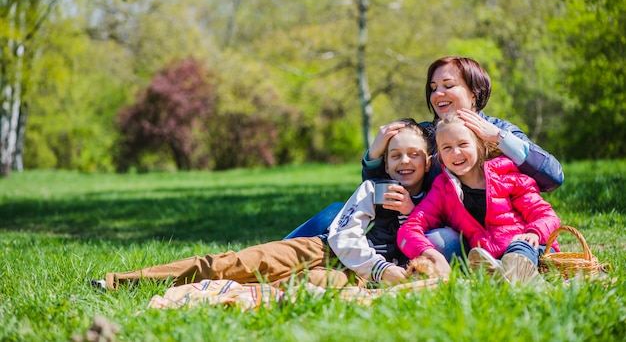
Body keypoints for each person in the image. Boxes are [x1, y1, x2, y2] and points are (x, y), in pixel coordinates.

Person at [96, 119, 434, 291]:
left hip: (362, 279)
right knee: (237, 262)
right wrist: (377, 267)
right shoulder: (373, 188)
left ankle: (204, 295)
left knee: (296, 288)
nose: (405, 162)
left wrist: (408, 215)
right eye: (395, 155)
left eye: (414, 155)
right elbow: (345, 235)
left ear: (428, 161)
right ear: (386, 164)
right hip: (323, 249)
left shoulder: (434, 198)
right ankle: (121, 281)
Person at [286, 56, 564, 253]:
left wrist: (498, 139)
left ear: (474, 93)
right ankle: (272, 256)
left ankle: (323, 259)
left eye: (447, 85)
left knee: (444, 239)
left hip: (476, 236)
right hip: (416, 227)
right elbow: (375, 189)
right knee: (336, 213)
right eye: (433, 88)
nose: (437, 93)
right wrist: (375, 154)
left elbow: (554, 177)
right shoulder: (424, 134)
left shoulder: (500, 131)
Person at [396, 114, 561, 284]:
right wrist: (431, 254)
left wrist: (533, 232)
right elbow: (408, 229)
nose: (456, 153)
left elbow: (546, 215)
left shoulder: (507, 175)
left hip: (531, 248)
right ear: (439, 155)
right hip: (488, 258)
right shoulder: (442, 189)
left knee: (518, 249)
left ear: (479, 145)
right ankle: (505, 276)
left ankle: (517, 273)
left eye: (463, 144)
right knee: (479, 258)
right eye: (446, 148)